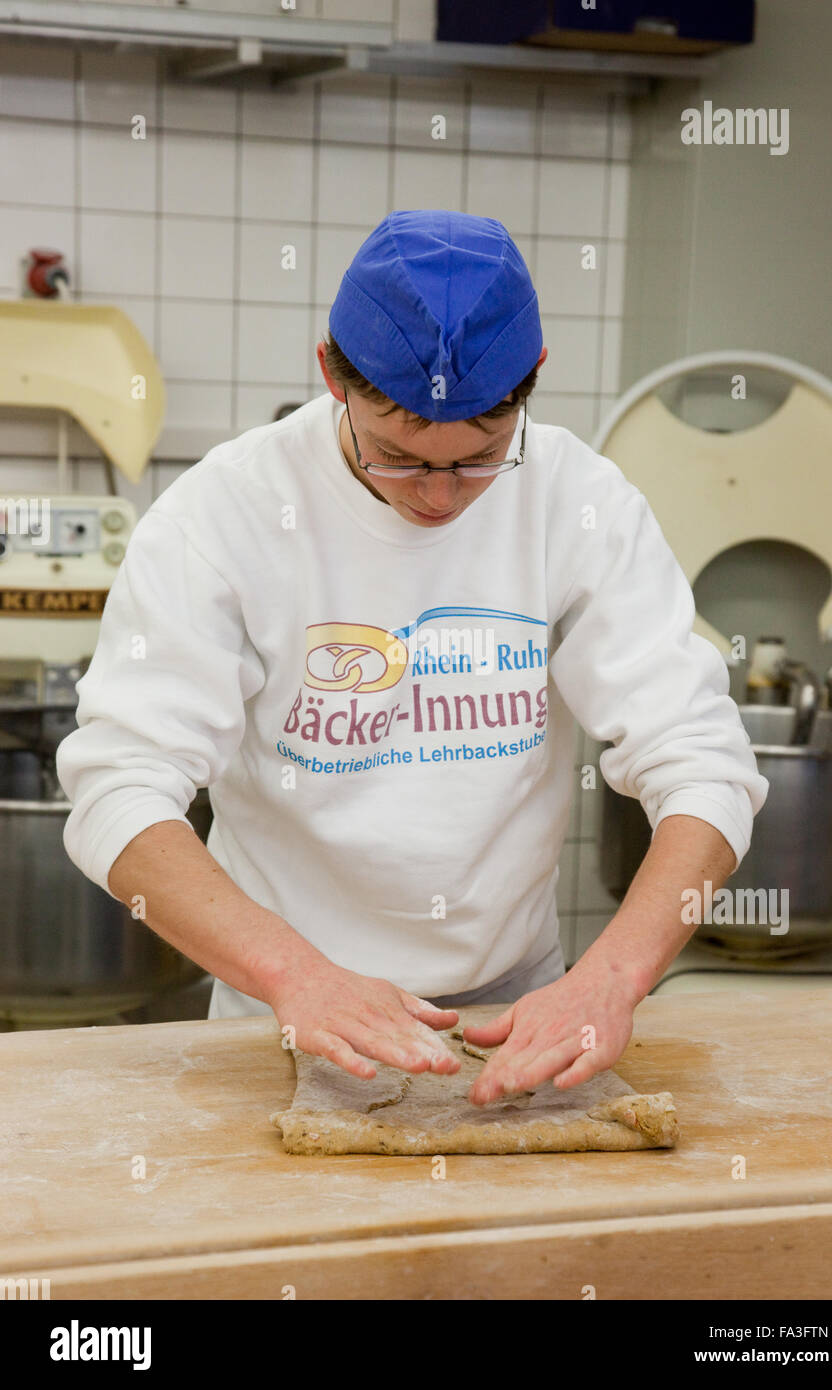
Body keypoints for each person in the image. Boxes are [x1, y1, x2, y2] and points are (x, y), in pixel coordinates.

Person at [57, 209, 768, 1106]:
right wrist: (293, 977)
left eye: (478, 461)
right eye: (395, 458)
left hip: (520, 1022)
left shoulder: (582, 503)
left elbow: (702, 765)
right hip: (281, 1014)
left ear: (531, 381)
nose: (438, 496)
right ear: (330, 375)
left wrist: (613, 979)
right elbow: (117, 792)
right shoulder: (222, 516)